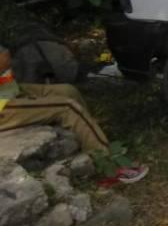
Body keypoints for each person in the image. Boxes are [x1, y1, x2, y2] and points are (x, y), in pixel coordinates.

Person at [0, 43, 147, 182]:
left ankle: (93, 138)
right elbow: (4, 59)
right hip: (2, 105)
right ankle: (108, 165)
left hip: (9, 91)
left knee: (68, 90)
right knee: (67, 106)